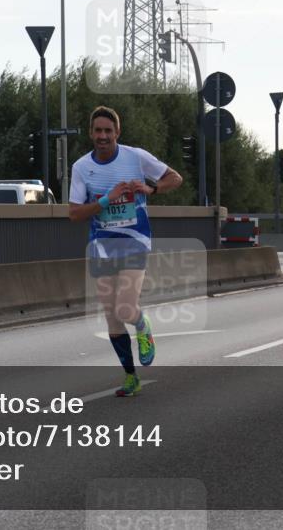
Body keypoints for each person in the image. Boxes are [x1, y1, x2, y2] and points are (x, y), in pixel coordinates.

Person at [69, 106, 183, 397]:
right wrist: (106, 200)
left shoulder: (136, 157)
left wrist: (152, 189)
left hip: (134, 240)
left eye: (108, 131)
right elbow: (75, 213)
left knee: (125, 308)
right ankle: (131, 376)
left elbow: (175, 178)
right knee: (112, 317)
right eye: (98, 131)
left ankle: (143, 326)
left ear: (117, 133)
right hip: (101, 245)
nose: (103, 136)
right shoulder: (81, 167)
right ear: (91, 133)